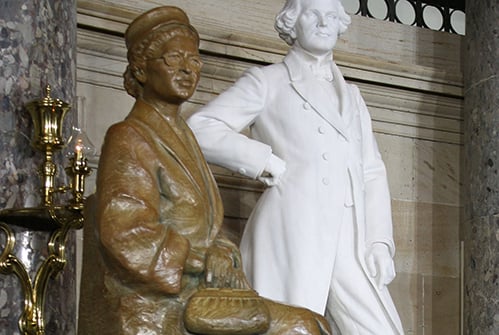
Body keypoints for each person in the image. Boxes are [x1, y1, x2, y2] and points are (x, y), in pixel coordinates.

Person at [77, 6, 332, 335]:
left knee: (313, 321)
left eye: (195, 61)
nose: (188, 69)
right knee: (301, 328)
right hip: (157, 306)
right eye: (173, 59)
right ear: (141, 69)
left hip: (193, 294)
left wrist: (223, 252)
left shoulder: (184, 137)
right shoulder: (128, 137)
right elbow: (126, 234)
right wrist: (199, 260)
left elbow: (205, 231)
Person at [187, 0, 404, 334]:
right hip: (294, 227)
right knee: (290, 325)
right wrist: (263, 162)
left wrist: (379, 242)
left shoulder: (353, 96)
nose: (323, 22)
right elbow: (201, 127)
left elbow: (372, 171)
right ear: (292, 22)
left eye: (331, 16)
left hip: (351, 235)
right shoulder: (269, 81)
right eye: (312, 14)